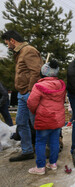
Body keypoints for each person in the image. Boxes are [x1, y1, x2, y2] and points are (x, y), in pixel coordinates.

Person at [2, 30, 43, 162]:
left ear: (12, 40)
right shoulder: (20, 53)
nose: (7, 46)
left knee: (36, 123)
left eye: (7, 43)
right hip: (22, 94)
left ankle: (43, 149)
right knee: (20, 122)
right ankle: (27, 151)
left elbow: (36, 72)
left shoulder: (28, 51)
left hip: (29, 94)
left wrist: (31, 92)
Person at [27, 60, 66, 175]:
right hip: (57, 119)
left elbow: (31, 102)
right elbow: (62, 101)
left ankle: (40, 167)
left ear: (43, 72)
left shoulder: (38, 86)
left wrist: (35, 111)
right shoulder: (61, 85)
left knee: (40, 142)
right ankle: (53, 163)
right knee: (54, 141)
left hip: (44, 119)